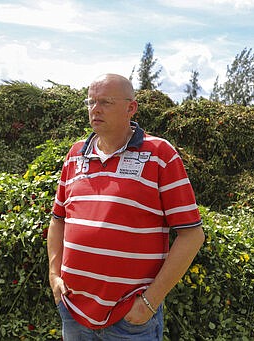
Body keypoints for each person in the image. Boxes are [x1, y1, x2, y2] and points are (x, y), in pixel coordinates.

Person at [47, 73, 204, 340]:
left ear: (131, 108)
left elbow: (192, 235)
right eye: (90, 102)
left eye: (106, 102)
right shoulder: (75, 155)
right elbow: (58, 219)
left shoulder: (160, 155)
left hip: (129, 320)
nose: (95, 109)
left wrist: (149, 302)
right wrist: (54, 275)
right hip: (73, 310)